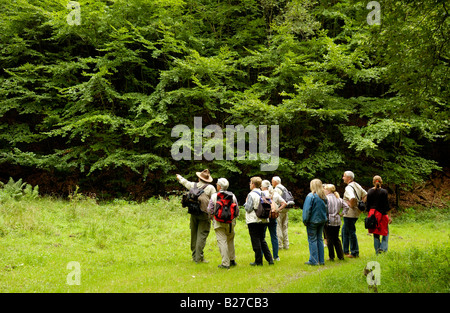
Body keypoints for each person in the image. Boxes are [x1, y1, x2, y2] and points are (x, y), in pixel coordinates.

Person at [176, 169, 216, 264]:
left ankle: (194, 256)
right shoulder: (210, 188)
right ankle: (199, 258)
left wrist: (179, 177)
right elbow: (214, 201)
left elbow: (185, 182)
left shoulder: (193, 185)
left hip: (193, 213)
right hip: (204, 214)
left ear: (199, 178)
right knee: (202, 235)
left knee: (194, 235)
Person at [207, 178, 239, 269]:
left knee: (222, 241)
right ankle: (232, 260)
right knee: (230, 240)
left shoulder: (214, 196)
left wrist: (212, 217)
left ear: (219, 186)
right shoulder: (232, 196)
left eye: (217, 184)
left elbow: (209, 209)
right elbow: (236, 210)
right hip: (230, 223)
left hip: (218, 222)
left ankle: (225, 263)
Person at [243, 176, 274, 266]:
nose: (249, 184)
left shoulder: (251, 194)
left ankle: (258, 261)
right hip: (263, 219)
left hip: (253, 220)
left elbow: (248, 209)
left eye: (250, 183)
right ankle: (270, 259)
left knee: (255, 240)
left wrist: (245, 203)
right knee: (262, 240)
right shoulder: (263, 193)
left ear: (253, 184)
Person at [302, 179, 328, 266]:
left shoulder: (311, 196)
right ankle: (321, 260)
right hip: (322, 220)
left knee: (312, 240)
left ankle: (314, 260)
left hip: (312, 221)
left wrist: (305, 220)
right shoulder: (323, 196)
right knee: (320, 239)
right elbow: (327, 209)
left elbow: (307, 210)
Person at [342, 171, 367, 258]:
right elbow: (365, 195)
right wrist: (362, 203)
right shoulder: (357, 185)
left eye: (344, 176)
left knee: (351, 232)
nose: (343, 178)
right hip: (356, 213)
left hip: (350, 213)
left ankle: (354, 252)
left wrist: (351, 205)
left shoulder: (348, 188)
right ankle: (345, 250)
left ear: (349, 178)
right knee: (344, 230)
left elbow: (352, 197)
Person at [261, 180, 287, 261]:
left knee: (262, 237)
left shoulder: (261, 194)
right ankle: (276, 256)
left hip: (264, 218)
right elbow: (284, 203)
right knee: (274, 236)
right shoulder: (274, 194)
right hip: (273, 217)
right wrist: (277, 210)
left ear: (263, 186)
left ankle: (261, 256)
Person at [366, 175, 392, 254]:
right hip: (382, 215)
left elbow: (367, 205)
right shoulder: (384, 192)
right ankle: (383, 248)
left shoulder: (369, 191)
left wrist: (369, 216)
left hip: (372, 215)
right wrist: (389, 216)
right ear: (381, 182)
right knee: (385, 232)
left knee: (376, 234)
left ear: (373, 182)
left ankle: (377, 251)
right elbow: (386, 205)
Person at [323, 184, 348, 261]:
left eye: (325, 189)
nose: (324, 191)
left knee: (329, 238)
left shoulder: (326, 199)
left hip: (328, 220)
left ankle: (331, 256)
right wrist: (341, 213)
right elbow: (346, 206)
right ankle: (341, 256)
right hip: (337, 220)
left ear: (329, 190)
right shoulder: (339, 199)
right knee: (336, 238)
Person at [272, 176, 289, 250]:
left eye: (272, 181)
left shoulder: (276, 189)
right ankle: (286, 245)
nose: (272, 183)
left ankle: (279, 246)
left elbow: (275, 201)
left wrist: (276, 210)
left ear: (275, 182)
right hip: (286, 209)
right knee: (285, 227)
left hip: (280, 209)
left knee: (278, 227)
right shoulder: (284, 188)